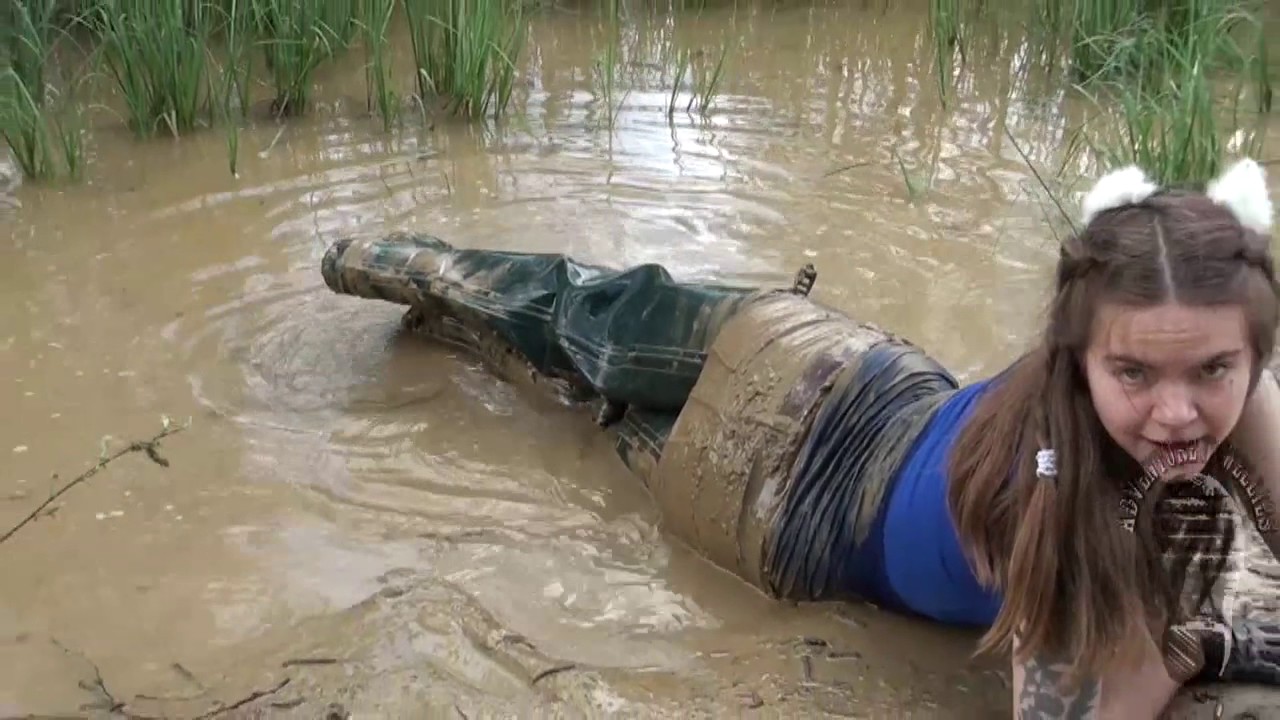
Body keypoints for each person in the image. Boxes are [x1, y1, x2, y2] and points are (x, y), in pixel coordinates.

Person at [320, 158, 1280, 718]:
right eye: (1134, 374)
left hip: (783, 504)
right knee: (572, 318)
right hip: (838, 377)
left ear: (1254, 355)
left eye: (1212, 372)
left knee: (574, 376)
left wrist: (1190, 642)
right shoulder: (1060, 494)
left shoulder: (1219, 391)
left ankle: (434, 304)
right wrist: (1199, 647)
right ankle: (382, 264)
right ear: (1075, 350)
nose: (1177, 414)